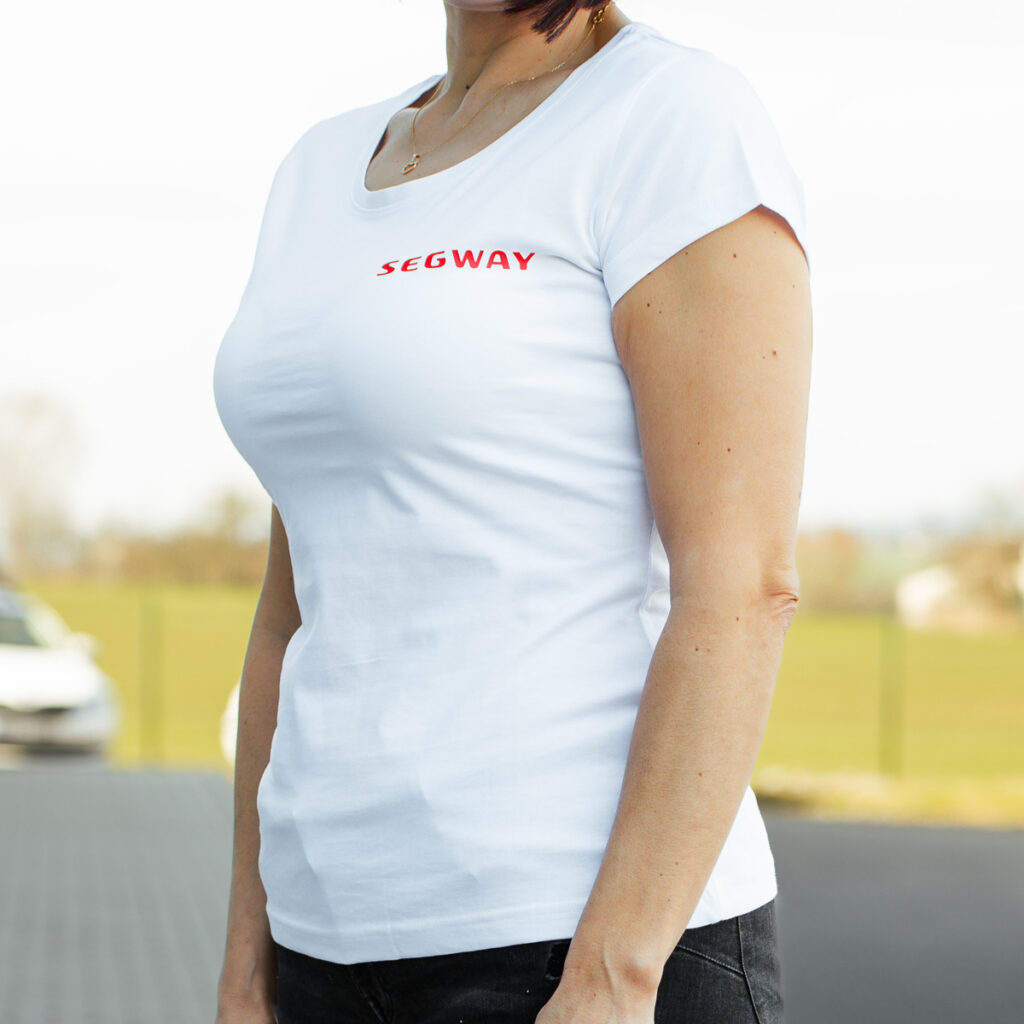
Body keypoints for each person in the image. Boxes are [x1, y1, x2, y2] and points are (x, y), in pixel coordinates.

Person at [211, 0, 812, 1021]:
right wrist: (247, 957)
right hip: (320, 945)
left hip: (569, 946)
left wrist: (612, 977)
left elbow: (741, 585)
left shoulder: (671, 117)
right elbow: (291, 607)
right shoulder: (318, 167)